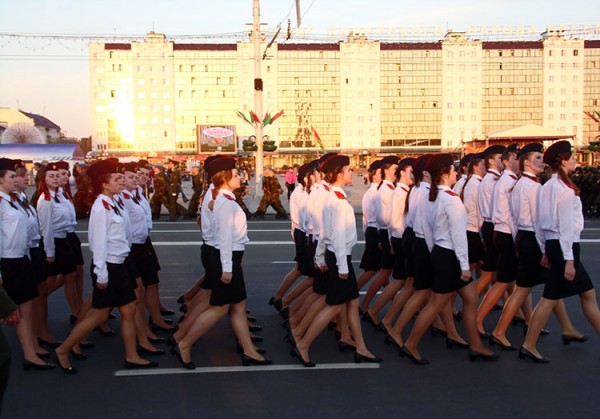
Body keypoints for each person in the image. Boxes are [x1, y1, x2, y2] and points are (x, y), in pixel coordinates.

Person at [55, 159, 157, 374]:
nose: (122, 181)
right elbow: (97, 243)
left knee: (128, 309)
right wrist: (101, 274)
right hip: (109, 266)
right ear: (104, 184)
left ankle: (132, 355)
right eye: (117, 179)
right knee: (99, 314)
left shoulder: (115, 201)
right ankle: (64, 349)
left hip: (122, 261)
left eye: (122, 178)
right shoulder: (101, 208)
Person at [172, 156, 271, 368]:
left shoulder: (225, 199)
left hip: (229, 257)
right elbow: (224, 238)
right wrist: (227, 269)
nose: (240, 177)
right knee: (219, 307)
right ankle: (184, 343)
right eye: (236, 174)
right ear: (225, 177)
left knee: (238, 305)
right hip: (227, 258)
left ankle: (248, 350)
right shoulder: (225, 203)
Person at [401, 154, 498, 364]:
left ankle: (475, 345)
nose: (457, 173)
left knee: (470, 299)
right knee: (436, 303)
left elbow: (426, 229)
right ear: (445, 174)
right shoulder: (452, 200)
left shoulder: (431, 196)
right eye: (453, 171)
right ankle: (410, 344)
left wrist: (433, 250)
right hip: (450, 256)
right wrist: (464, 266)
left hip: (440, 252)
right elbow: (459, 236)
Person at [491, 143, 585, 350]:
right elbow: (539, 220)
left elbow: (516, 219)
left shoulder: (521, 184)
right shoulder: (532, 186)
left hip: (526, 237)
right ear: (526, 162)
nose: (542, 162)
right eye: (537, 158)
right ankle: (499, 332)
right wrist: (543, 249)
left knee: (548, 286)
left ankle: (566, 327)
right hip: (533, 239)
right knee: (527, 289)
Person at [293, 154, 381, 367]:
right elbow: (338, 237)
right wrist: (341, 266)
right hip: (340, 258)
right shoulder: (338, 201)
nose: (352, 172)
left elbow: (324, 233)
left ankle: (360, 346)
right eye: (348, 170)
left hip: (334, 256)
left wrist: (320, 256)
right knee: (334, 306)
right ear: (339, 174)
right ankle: (303, 344)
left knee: (351, 303)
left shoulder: (332, 197)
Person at [520, 141, 600, 363]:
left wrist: (546, 250)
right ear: (563, 161)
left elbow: (540, 223)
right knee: (550, 297)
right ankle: (528, 345)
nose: (575, 161)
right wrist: (569, 260)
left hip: (556, 246)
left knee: (584, 293)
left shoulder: (547, 186)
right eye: (572, 157)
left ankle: (529, 344)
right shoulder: (563, 190)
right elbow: (565, 227)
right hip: (566, 247)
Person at [0, 158, 54, 371]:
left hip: (21, 258)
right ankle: (30, 354)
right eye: (12, 176)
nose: (17, 179)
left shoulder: (12, 200)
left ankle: (31, 349)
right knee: (16, 310)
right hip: (8, 261)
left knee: (26, 307)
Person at [477, 144, 521, 337]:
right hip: (500, 229)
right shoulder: (500, 181)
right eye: (515, 158)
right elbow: (509, 214)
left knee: (508, 279)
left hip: (495, 227)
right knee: (498, 278)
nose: (517, 161)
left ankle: (523, 316)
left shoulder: (499, 179)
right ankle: (476, 317)